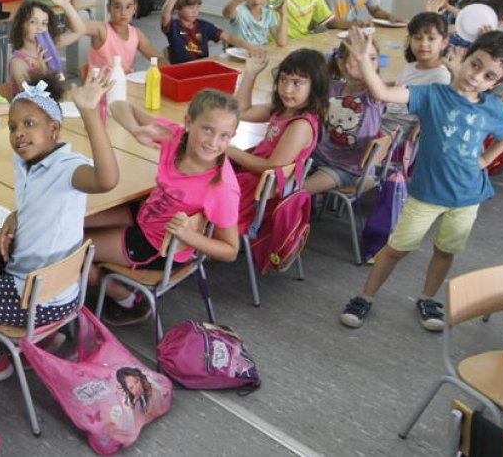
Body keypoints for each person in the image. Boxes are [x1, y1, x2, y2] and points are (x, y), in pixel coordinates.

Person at [339, 28, 503, 331]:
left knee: (445, 251)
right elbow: (383, 94)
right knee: (397, 249)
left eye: (489, 76)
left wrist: (487, 160)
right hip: (426, 194)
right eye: (475, 65)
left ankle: (427, 297)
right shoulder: (432, 94)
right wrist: (365, 63)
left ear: (497, 83)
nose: (476, 77)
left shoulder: (493, 108)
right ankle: (365, 296)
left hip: (467, 198)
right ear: (463, 57)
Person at [0, 71, 120, 386]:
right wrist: (19, 215)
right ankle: (44, 341)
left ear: (54, 129)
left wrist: (90, 114)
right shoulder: (28, 164)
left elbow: (107, 180)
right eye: (13, 126)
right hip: (55, 292)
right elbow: (43, 200)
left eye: (29, 124)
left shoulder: (68, 168)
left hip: (36, 299)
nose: (19, 133)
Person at [85, 89, 243, 325]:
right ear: (188, 123)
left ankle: (127, 298)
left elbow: (230, 250)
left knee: (71, 244)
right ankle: (96, 273)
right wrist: (135, 128)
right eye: (207, 129)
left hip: (155, 246)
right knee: (74, 221)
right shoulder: (175, 136)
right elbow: (120, 105)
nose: (213, 142)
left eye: (224, 136)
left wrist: (189, 236)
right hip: (145, 216)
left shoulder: (222, 188)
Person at [226, 48, 326, 233]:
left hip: (257, 194)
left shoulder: (300, 125)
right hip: (252, 182)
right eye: (283, 80)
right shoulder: (282, 110)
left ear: (315, 86)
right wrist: (250, 74)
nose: (287, 89)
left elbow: (270, 167)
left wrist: (232, 151)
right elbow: (242, 111)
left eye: (297, 83)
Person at [302, 36, 387, 197]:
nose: (365, 63)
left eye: (372, 58)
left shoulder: (373, 95)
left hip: (345, 168)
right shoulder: (332, 87)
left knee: (297, 190)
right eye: (358, 57)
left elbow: (379, 89)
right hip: (316, 154)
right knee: (280, 176)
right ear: (342, 63)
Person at [8, 0, 86, 94]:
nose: (40, 28)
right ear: (21, 25)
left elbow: (80, 31)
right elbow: (30, 95)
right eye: (33, 22)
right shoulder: (18, 62)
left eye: (44, 23)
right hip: (31, 109)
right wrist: (43, 72)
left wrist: (66, 5)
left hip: (53, 105)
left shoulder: (49, 47)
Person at [382, 12, 451, 134]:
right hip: (386, 120)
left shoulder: (441, 77)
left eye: (431, 39)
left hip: (397, 134)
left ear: (444, 42)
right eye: (417, 38)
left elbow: (435, 115)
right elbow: (401, 85)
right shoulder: (412, 66)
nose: (423, 44)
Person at [160, 0, 259, 64]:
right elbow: (165, 15)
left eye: (198, 7)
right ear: (177, 9)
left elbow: (228, 36)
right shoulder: (173, 26)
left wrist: (249, 47)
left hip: (202, 69)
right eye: (190, 7)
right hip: (181, 72)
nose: (195, 11)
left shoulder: (204, 26)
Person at [83, 0, 162, 74]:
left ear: (135, 8)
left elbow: (157, 58)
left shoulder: (136, 34)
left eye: (128, 7)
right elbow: (77, 26)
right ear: (109, 8)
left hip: (124, 84)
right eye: (117, 6)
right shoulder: (101, 30)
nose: (123, 12)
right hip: (100, 87)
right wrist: (71, 3)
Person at [222, 0, 288, 47]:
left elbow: (281, 42)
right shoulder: (240, 10)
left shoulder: (268, 14)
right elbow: (226, 13)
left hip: (259, 55)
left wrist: (283, 14)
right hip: (240, 55)